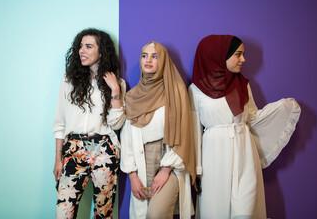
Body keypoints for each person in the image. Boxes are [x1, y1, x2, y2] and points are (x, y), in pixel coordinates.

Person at [189, 35, 301, 218]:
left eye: (243, 54)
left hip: (244, 152)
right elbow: (194, 132)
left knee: (246, 210)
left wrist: (281, 108)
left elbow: (252, 117)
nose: (243, 60)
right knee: (216, 210)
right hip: (214, 156)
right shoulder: (196, 90)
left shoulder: (241, 84)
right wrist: (197, 169)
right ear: (219, 55)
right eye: (238, 54)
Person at [52, 28, 126, 219]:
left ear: (101, 51)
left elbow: (116, 124)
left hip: (105, 149)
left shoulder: (117, 83)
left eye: (88, 46)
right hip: (73, 148)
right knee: (63, 212)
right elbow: (60, 122)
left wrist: (115, 90)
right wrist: (58, 158)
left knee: (104, 213)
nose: (81, 51)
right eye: (80, 46)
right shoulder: (68, 81)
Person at [121, 41, 196, 219]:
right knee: (144, 214)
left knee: (156, 214)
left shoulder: (175, 90)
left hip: (169, 161)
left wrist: (165, 170)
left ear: (163, 61)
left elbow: (184, 133)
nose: (149, 60)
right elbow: (127, 139)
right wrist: (132, 176)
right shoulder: (132, 96)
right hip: (141, 164)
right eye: (145, 56)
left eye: (155, 56)